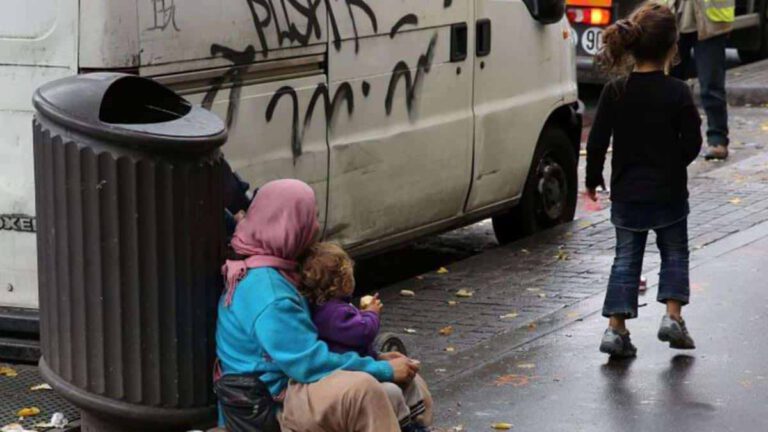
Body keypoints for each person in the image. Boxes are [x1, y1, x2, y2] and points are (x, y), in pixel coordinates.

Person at [215, 179, 419, 432]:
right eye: (311, 218)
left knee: (401, 382)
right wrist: (381, 369)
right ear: (290, 226)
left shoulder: (275, 268)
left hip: (289, 384)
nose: (315, 227)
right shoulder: (269, 291)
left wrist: (374, 359)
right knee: (364, 390)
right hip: (271, 401)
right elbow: (308, 364)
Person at [586, 2, 703, 358]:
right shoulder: (678, 91)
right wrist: (674, 163)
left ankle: (616, 329)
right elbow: (694, 141)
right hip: (668, 192)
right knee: (674, 253)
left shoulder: (616, 91)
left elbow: (597, 141)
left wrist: (592, 179)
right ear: (673, 47)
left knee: (625, 259)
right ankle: (671, 317)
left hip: (627, 194)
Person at [300, 242, 433, 432]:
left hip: (357, 366)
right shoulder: (332, 313)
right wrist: (372, 314)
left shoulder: (332, 309)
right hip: (353, 374)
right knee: (394, 390)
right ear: (344, 281)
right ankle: (411, 425)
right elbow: (362, 332)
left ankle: (416, 420)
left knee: (409, 378)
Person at [668, 0, 733, 160]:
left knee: (711, 85)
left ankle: (717, 140)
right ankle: (667, 136)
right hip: (672, 15)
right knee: (668, 84)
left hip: (709, 18)